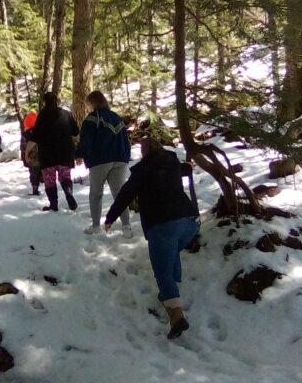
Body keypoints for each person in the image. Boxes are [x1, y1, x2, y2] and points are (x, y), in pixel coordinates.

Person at [104, 138, 199, 340]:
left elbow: (125, 195)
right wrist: (188, 166)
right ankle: (173, 290)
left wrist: (110, 218)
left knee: (162, 271)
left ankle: (176, 316)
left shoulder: (143, 170)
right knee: (172, 253)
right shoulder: (173, 163)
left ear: (144, 153)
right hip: (189, 222)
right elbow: (186, 170)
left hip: (162, 224)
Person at [76, 91, 132, 237]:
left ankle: (96, 226)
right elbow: (126, 141)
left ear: (92, 103)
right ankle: (126, 227)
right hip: (120, 159)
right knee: (120, 195)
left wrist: (79, 154)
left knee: (96, 193)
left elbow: (86, 139)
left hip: (100, 160)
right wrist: (125, 157)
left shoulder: (93, 118)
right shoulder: (116, 117)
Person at [33, 92, 79, 212]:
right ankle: (68, 193)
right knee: (65, 177)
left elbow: (36, 136)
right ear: (57, 101)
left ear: (44, 102)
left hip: (47, 155)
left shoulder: (42, 116)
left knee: (50, 180)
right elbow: (75, 131)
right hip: (65, 153)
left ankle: (53, 204)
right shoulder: (66, 114)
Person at [21, 111, 42, 196]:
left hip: (31, 158)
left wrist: (24, 159)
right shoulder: (42, 132)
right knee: (41, 171)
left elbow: (23, 147)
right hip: (42, 156)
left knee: (33, 173)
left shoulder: (25, 134)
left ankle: (35, 188)